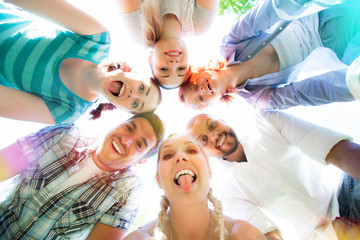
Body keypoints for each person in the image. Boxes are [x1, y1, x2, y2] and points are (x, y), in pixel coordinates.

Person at [186, 112, 360, 239]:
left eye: (212, 125)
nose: (213, 135)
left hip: (344, 192)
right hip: (321, 234)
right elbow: (266, 233)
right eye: (203, 140)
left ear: (222, 120)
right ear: (203, 153)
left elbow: (337, 150)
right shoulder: (228, 191)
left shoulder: (267, 123)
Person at [0, 112, 165, 239]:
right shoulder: (64, 135)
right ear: (118, 124)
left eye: (139, 144)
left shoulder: (126, 191)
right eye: (129, 128)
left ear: (140, 162)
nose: (126, 140)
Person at [0, 0, 162, 125]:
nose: (133, 94)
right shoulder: (97, 39)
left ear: (120, 109)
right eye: (142, 88)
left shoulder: (69, 111)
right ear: (133, 72)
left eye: (135, 104)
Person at [178, 0, 360, 110]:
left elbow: (267, 13)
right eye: (201, 98)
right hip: (333, 45)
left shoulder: (231, 42)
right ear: (214, 102)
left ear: (200, 71)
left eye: (194, 85)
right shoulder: (258, 97)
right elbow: (306, 93)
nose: (201, 90)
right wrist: (353, 85)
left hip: (317, 11)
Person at [124, 134, 266, 240]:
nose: (180, 156)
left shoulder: (244, 235)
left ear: (209, 169)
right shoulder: (140, 238)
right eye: (168, 155)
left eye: (191, 151)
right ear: (159, 180)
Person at [117, 0, 219, 89]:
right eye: (181, 68)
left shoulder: (139, 30)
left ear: (150, 58)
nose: (174, 64)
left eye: (163, 69)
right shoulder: (200, 23)